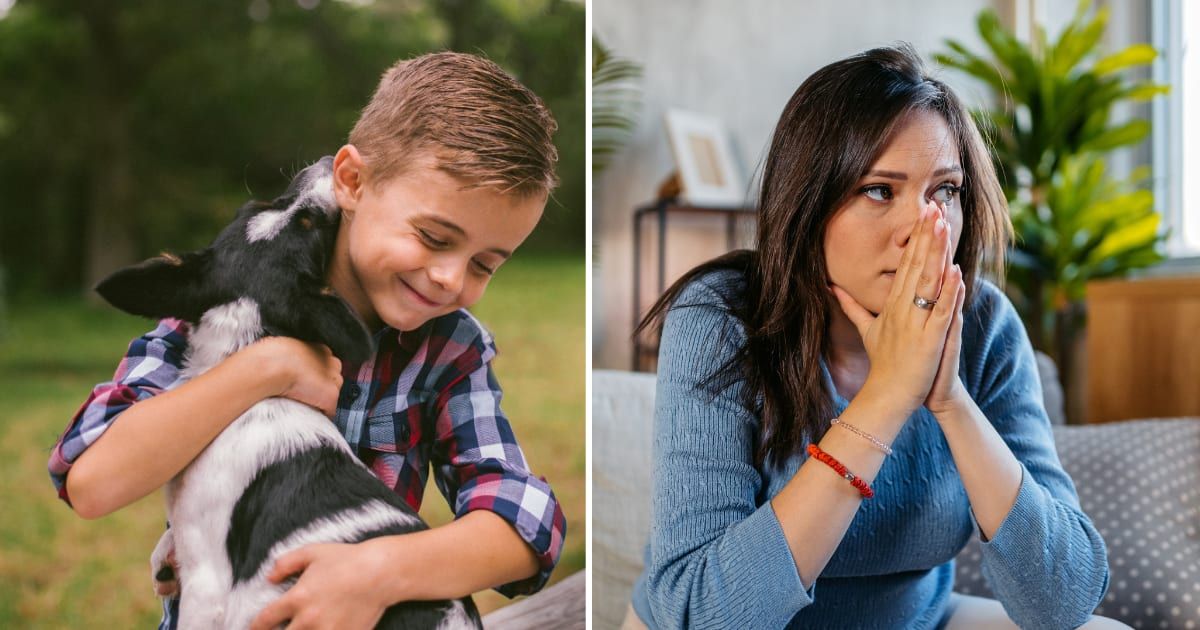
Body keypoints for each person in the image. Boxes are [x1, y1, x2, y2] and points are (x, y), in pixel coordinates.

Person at [48, 52, 567, 630]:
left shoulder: (447, 349)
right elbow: (91, 482)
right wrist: (267, 368)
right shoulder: (221, 311)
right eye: (433, 236)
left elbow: (527, 525)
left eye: (485, 265)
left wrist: (377, 570)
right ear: (352, 180)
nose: (451, 278)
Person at [626, 45, 1126, 629]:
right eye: (879, 191)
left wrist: (949, 400)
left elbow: (1064, 601)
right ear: (808, 206)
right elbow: (703, 615)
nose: (924, 230)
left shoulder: (984, 324)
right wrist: (887, 396)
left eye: (944, 191)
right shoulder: (720, 318)